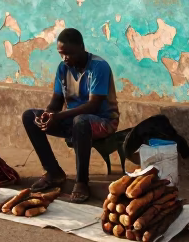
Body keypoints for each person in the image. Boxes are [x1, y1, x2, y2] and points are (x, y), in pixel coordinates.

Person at [22, 28, 119, 203]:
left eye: (69, 53)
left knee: (80, 121)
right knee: (29, 117)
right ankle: (53, 172)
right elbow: (56, 102)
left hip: (103, 121)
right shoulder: (63, 68)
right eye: (61, 54)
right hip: (72, 120)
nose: (65, 58)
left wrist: (58, 117)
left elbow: (93, 105)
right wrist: (47, 115)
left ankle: (82, 181)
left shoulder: (98, 66)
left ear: (81, 47)